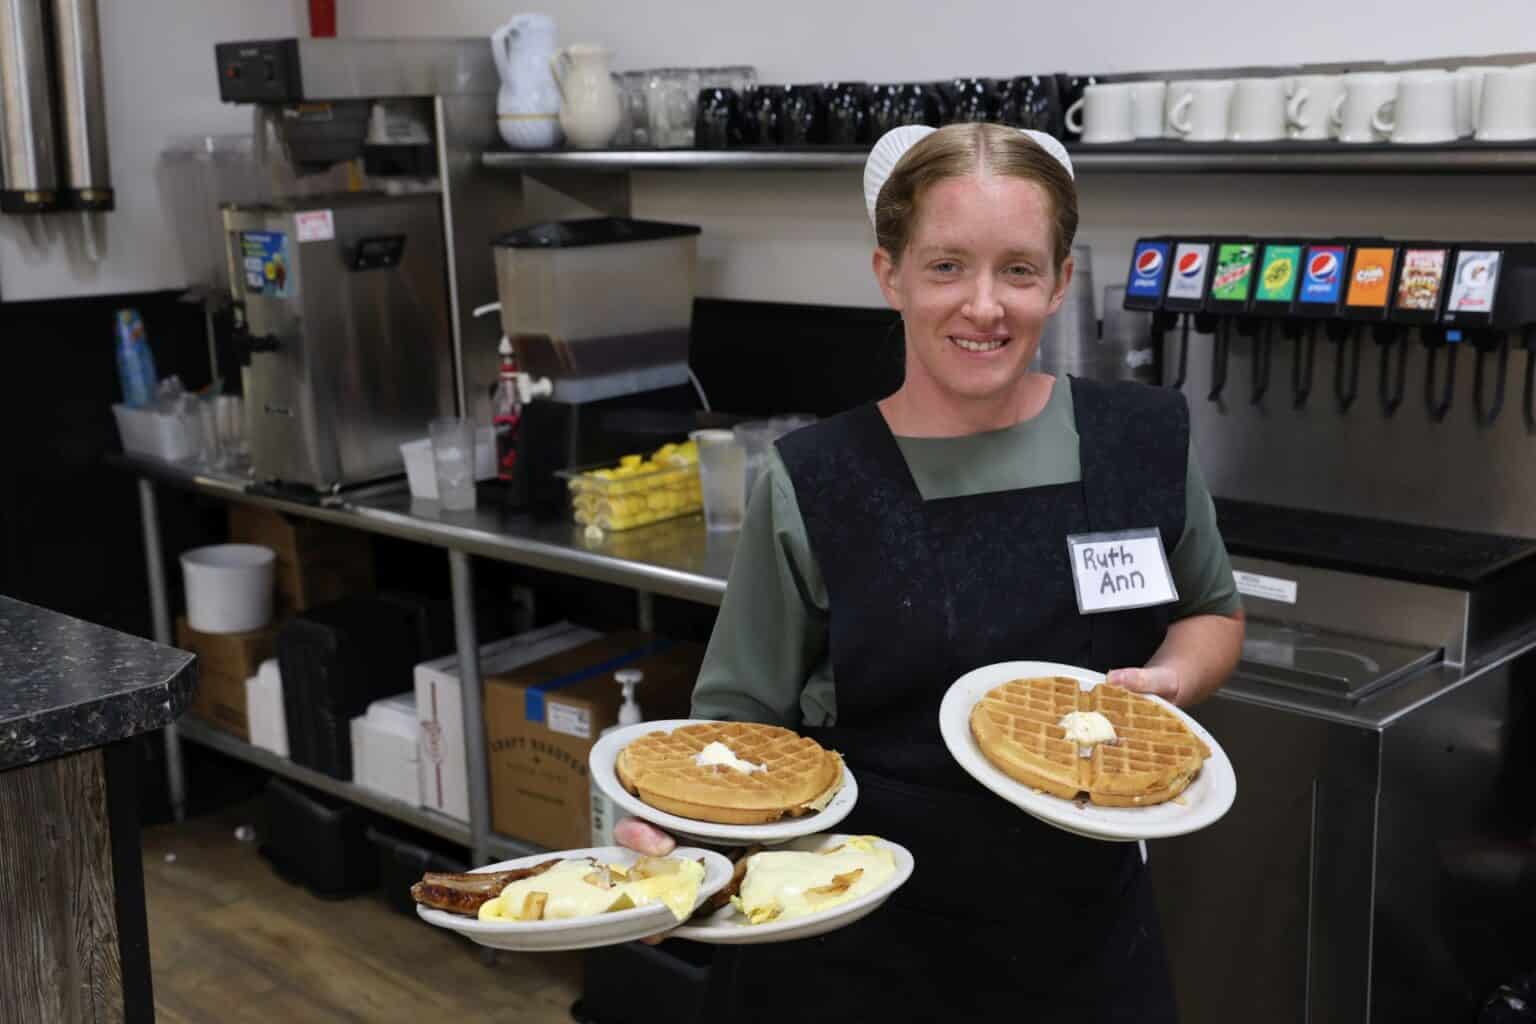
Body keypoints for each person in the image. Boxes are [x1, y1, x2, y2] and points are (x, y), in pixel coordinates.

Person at [617, 122, 1246, 1022]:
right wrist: (670, 844)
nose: (983, 306)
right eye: (946, 266)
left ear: (1060, 282)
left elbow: (1212, 611)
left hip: (1084, 949)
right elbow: (733, 727)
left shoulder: (1142, 440)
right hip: (855, 942)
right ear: (891, 274)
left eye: (1019, 270)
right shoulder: (818, 481)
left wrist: (1171, 679)